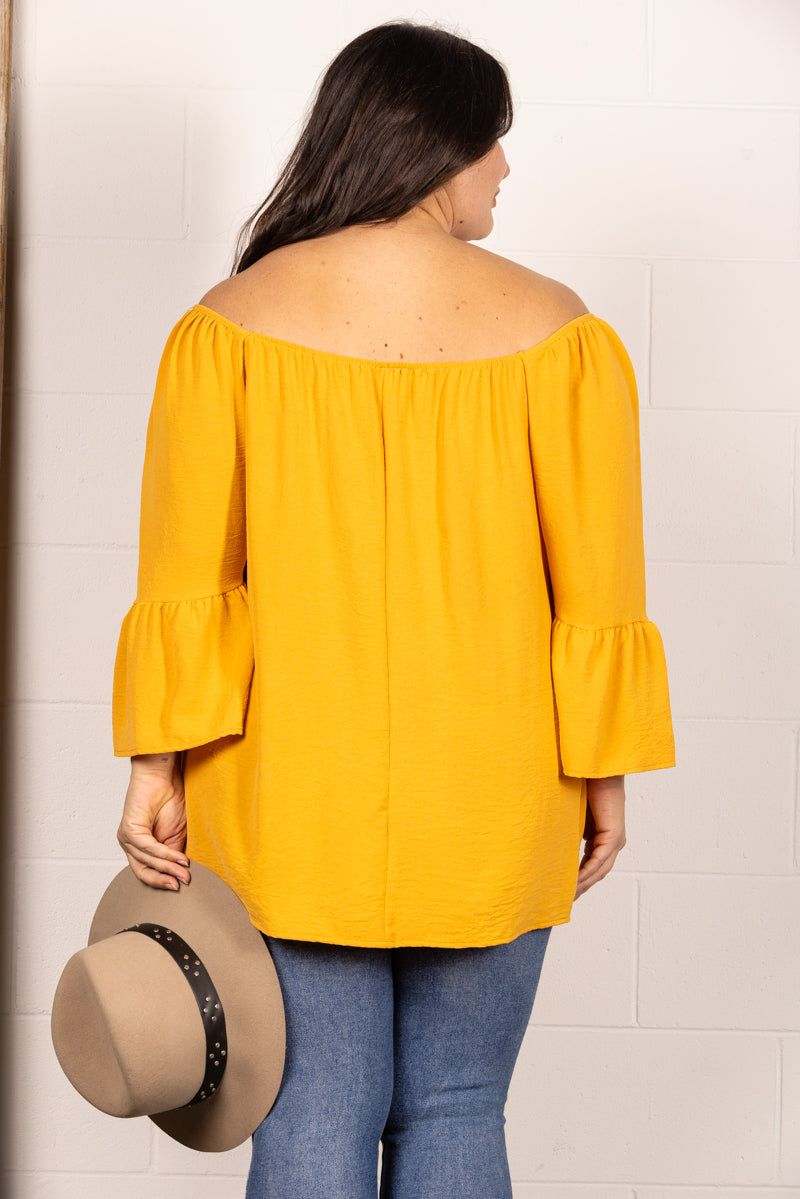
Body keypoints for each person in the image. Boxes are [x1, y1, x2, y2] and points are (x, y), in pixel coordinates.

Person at [112, 19, 675, 1199]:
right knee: (459, 1103)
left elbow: (186, 579)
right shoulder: (561, 336)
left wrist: (155, 768)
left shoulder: (228, 325)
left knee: (311, 1106)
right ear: (433, 140)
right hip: (497, 788)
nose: (504, 166)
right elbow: (598, 589)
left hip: (287, 789)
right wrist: (602, 774)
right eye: (493, 138)